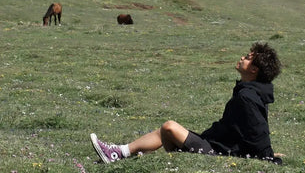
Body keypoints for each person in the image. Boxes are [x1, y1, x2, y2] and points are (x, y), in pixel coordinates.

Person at [90, 42, 282, 165]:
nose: (242, 57)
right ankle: (119, 153)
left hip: (221, 154)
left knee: (169, 127)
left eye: (247, 58)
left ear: (254, 69)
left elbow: (258, 131)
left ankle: (124, 156)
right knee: (164, 131)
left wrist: (268, 157)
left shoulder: (247, 97)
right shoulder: (250, 92)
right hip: (218, 146)